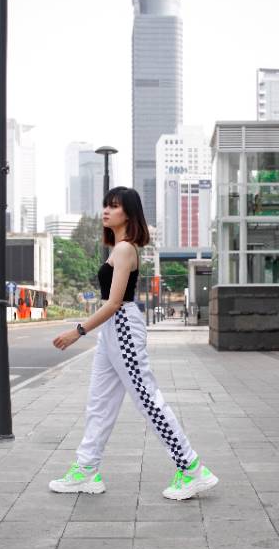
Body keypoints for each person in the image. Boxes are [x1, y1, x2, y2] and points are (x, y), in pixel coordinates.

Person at [50, 187, 218, 500]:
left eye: (113, 206)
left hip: (123, 326)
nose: (106, 211)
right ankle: (86, 470)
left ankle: (192, 469)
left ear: (128, 213)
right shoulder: (118, 249)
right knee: (100, 402)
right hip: (113, 331)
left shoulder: (126, 249)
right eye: (105, 205)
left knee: (147, 398)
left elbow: (114, 303)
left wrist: (78, 330)